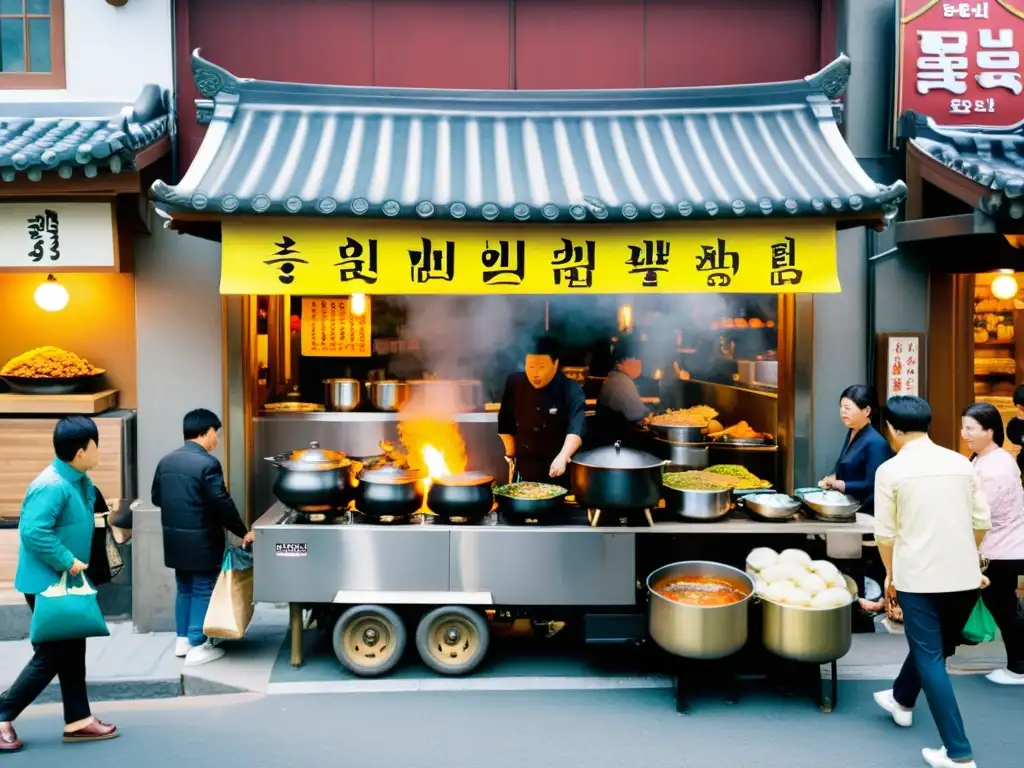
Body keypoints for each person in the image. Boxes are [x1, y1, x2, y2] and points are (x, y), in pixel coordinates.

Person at [872, 396, 990, 768]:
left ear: (891, 428)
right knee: (935, 647)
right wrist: (964, 554)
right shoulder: (960, 463)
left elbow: (885, 535)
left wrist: (890, 574)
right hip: (964, 577)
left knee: (931, 657)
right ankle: (902, 699)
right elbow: (982, 522)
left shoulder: (890, 470)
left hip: (918, 578)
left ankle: (958, 753)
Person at [0, 416, 118, 752]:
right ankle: (3, 713)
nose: (99, 450)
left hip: (67, 584)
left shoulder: (80, 480)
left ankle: (79, 720)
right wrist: (69, 560)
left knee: (71, 652)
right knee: (53, 655)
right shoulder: (51, 485)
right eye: (96, 444)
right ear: (81, 451)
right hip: (46, 583)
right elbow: (34, 532)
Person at [152, 409, 254, 667]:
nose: (216, 440)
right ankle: (199, 644)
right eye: (215, 433)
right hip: (202, 541)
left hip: (174, 540)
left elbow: (156, 498)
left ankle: (182, 640)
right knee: (201, 588)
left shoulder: (166, 462)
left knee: (184, 587)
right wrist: (243, 532)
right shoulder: (207, 464)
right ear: (205, 432)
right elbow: (222, 503)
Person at [961, 402, 1024, 685]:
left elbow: (980, 514)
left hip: (1002, 548)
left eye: (970, 428)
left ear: (990, 431)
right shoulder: (985, 458)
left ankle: (1019, 667)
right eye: (963, 427)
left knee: (1005, 607)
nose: (965, 434)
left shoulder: (995, 467)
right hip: (1001, 545)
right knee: (1005, 606)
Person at [819, 385, 894, 614]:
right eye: (842, 407)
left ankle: (864, 605)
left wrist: (841, 485)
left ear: (867, 410)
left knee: (857, 565)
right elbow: (845, 466)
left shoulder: (875, 442)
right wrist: (833, 478)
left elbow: (875, 483)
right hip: (850, 511)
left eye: (849, 408)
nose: (843, 413)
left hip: (866, 514)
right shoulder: (853, 431)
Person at [498, 336, 586, 487]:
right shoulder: (515, 383)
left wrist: (563, 457)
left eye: (541, 367)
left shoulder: (570, 389)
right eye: (531, 367)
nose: (535, 374)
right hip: (525, 468)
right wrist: (510, 455)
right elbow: (505, 423)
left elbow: (576, 430)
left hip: (558, 467)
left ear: (555, 364)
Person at [591, 338, 648, 448]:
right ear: (619, 363)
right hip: (616, 446)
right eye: (634, 358)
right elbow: (636, 414)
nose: (639, 362)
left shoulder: (617, 377)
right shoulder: (620, 380)